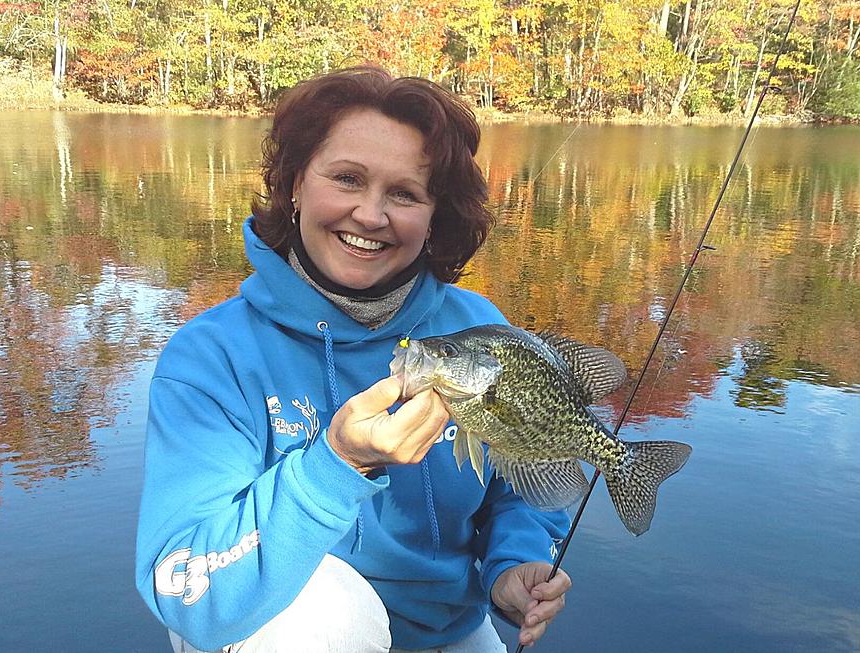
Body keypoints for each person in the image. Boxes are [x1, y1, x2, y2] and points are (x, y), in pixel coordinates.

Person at [135, 66, 572, 653]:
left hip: (448, 631)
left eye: (404, 193)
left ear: (434, 214)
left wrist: (514, 565)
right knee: (329, 614)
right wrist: (337, 463)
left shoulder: (478, 333)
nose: (371, 215)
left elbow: (525, 478)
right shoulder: (213, 358)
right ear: (294, 183)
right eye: (347, 178)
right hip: (273, 626)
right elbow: (189, 588)